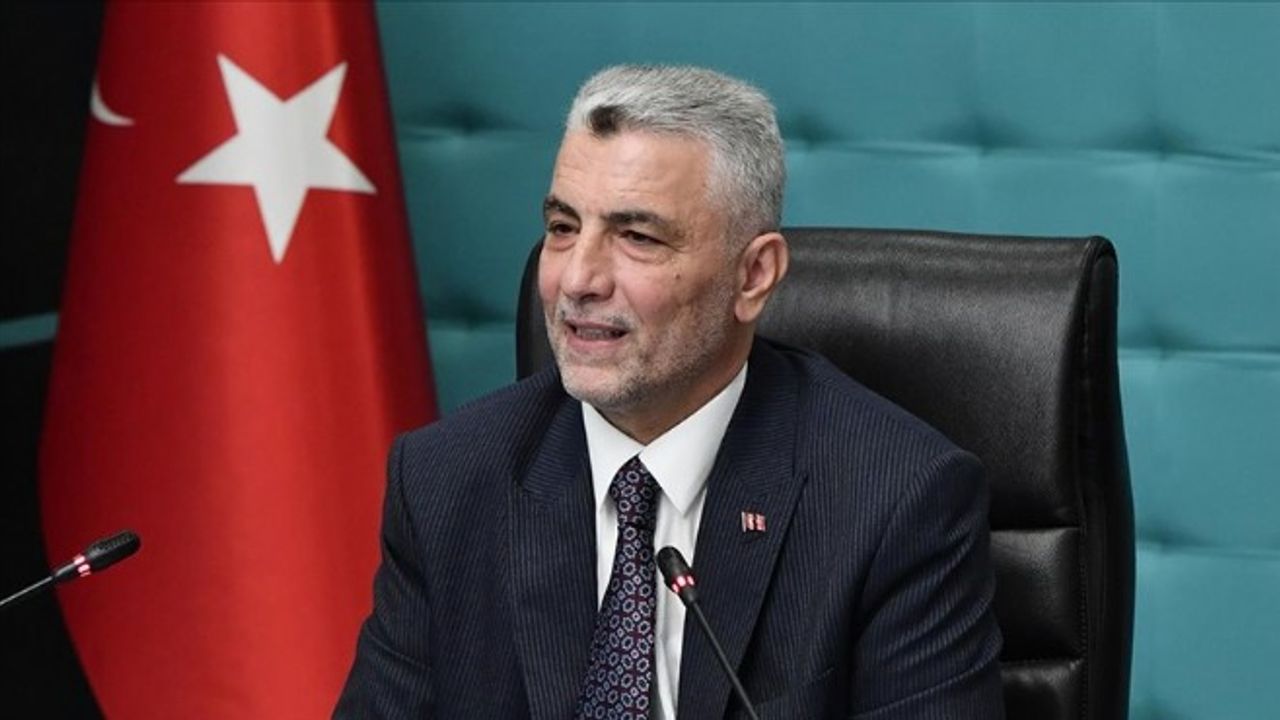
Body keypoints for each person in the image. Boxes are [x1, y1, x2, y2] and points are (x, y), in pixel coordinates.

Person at [335, 65, 1003, 719]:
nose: (578, 280)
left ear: (754, 275)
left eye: (637, 237)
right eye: (564, 228)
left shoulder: (895, 500)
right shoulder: (448, 479)